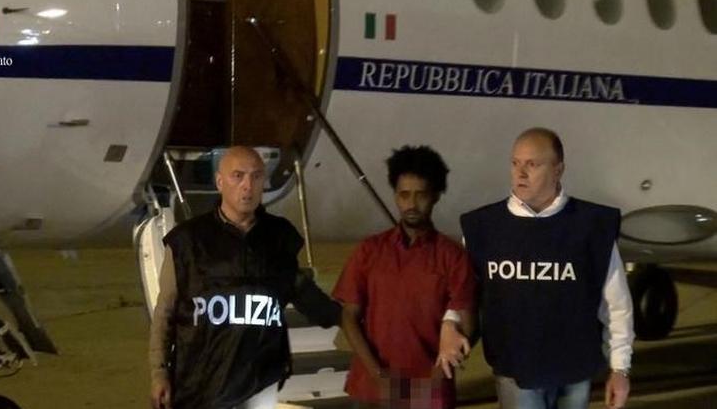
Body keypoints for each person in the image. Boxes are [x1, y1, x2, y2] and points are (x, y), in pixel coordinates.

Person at [148, 146, 341, 409]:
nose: (247, 186)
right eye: (237, 176)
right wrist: (159, 373)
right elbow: (165, 312)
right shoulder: (187, 241)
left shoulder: (280, 237)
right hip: (200, 384)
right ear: (219, 182)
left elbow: (298, 287)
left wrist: (342, 315)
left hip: (260, 382)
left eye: (256, 176)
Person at [459, 128, 634, 409]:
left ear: (558, 170)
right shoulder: (483, 228)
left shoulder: (590, 228)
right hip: (517, 375)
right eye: (515, 163)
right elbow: (462, 293)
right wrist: (449, 324)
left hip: (574, 374)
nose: (520, 173)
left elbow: (616, 304)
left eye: (532, 164)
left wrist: (620, 369)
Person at [333, 145, 477, 409]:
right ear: (395, 196)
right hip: (370, 389)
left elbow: (467, 327)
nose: (411, 204)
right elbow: (348, 316)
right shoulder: (369, 251)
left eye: (420, 195)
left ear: (435, 196)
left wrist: (432, 382)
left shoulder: (453, 257)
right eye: (404, 195)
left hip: (429, 392)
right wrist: (378, 376)